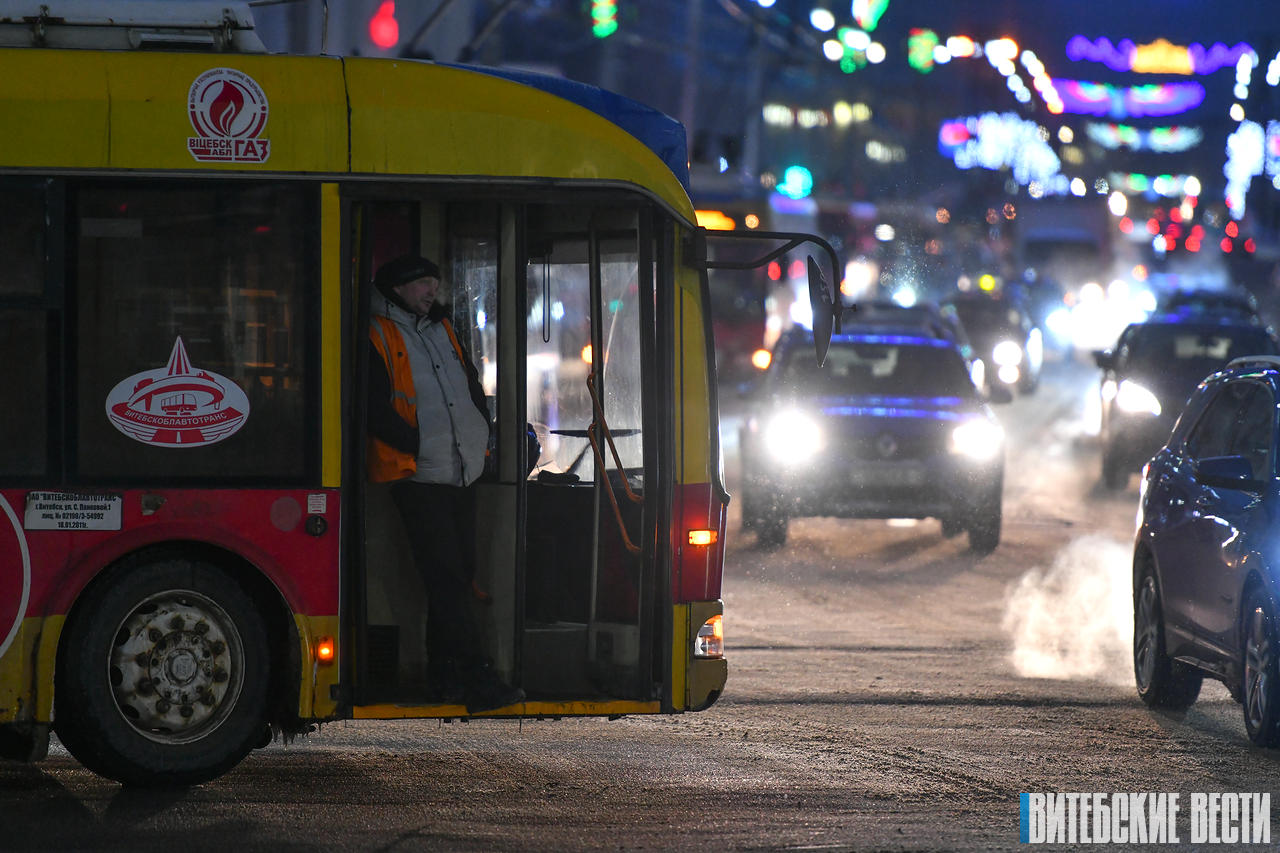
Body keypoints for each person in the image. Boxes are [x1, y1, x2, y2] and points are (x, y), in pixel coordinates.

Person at [366, 254, 525, 714]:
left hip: (462, 472)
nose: (432, 289)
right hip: (419, 476)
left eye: (435, 281)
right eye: (422, 283)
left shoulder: (442, 328)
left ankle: (443, 677)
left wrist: (479, 427)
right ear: (397, 288)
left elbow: (468, 383)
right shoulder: (380, 333)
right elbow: (375, 408)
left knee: (454, 578)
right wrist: (417, 443)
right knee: (447, 579)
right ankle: (478, 679)